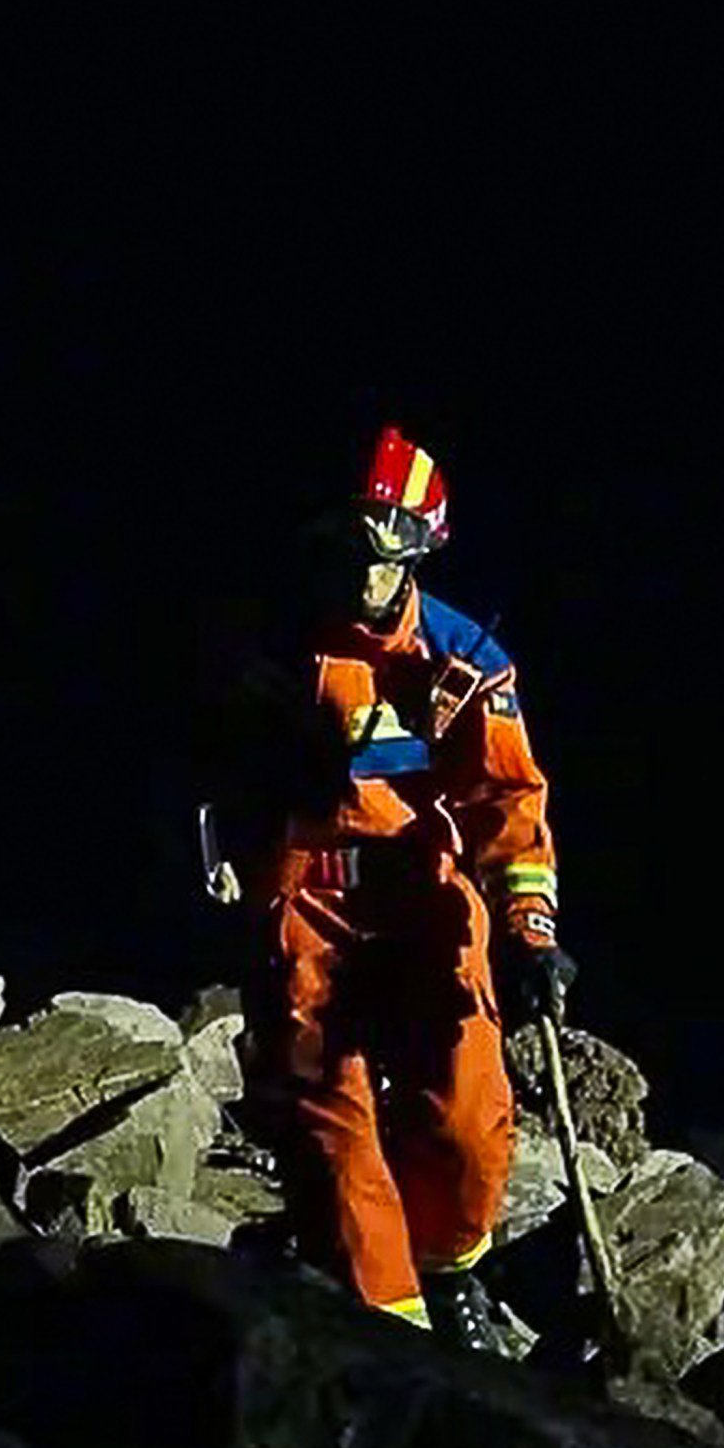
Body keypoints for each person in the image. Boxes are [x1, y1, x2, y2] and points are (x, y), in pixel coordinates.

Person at [196, 426, 565, 1348]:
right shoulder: (271, 643)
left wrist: (529, 926)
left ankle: (450, 1265)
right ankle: (389, 1333)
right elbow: (203, 770)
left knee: (469, 1114)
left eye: (376, 551)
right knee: (334, 1117)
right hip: (306, 899)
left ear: (413, 552)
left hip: (420, 891)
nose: (356, 571)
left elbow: (509, 802)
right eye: (345, 544)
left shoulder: (462, 659)